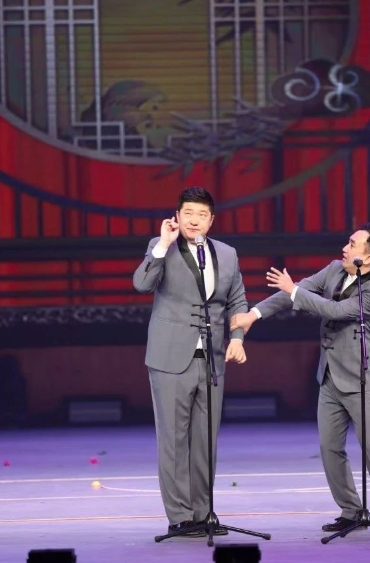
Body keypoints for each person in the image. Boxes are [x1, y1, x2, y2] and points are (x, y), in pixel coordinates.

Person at [230, 224, 370, 533]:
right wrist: (253, 315)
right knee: (329, 447)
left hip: (360, 377)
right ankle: (352, 511)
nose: (345, 248)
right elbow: (294, 293)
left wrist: (294, 291)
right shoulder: (334, 269)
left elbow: (335, 310)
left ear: (367, 257)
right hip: (329, 376)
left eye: (351, 244)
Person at [133, 186, 249, 537]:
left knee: (205, 440)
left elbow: (237, 300)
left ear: (211, 220)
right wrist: (162, 245)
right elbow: (142, 283)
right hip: (170, 357)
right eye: (188, 214)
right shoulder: (162, 247)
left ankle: (203, 512)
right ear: (177, 216)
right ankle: (180, 516)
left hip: (211, 359)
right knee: (173, 440)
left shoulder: (227, 254)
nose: (194, 220)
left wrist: (237, 338)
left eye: (201, 215)